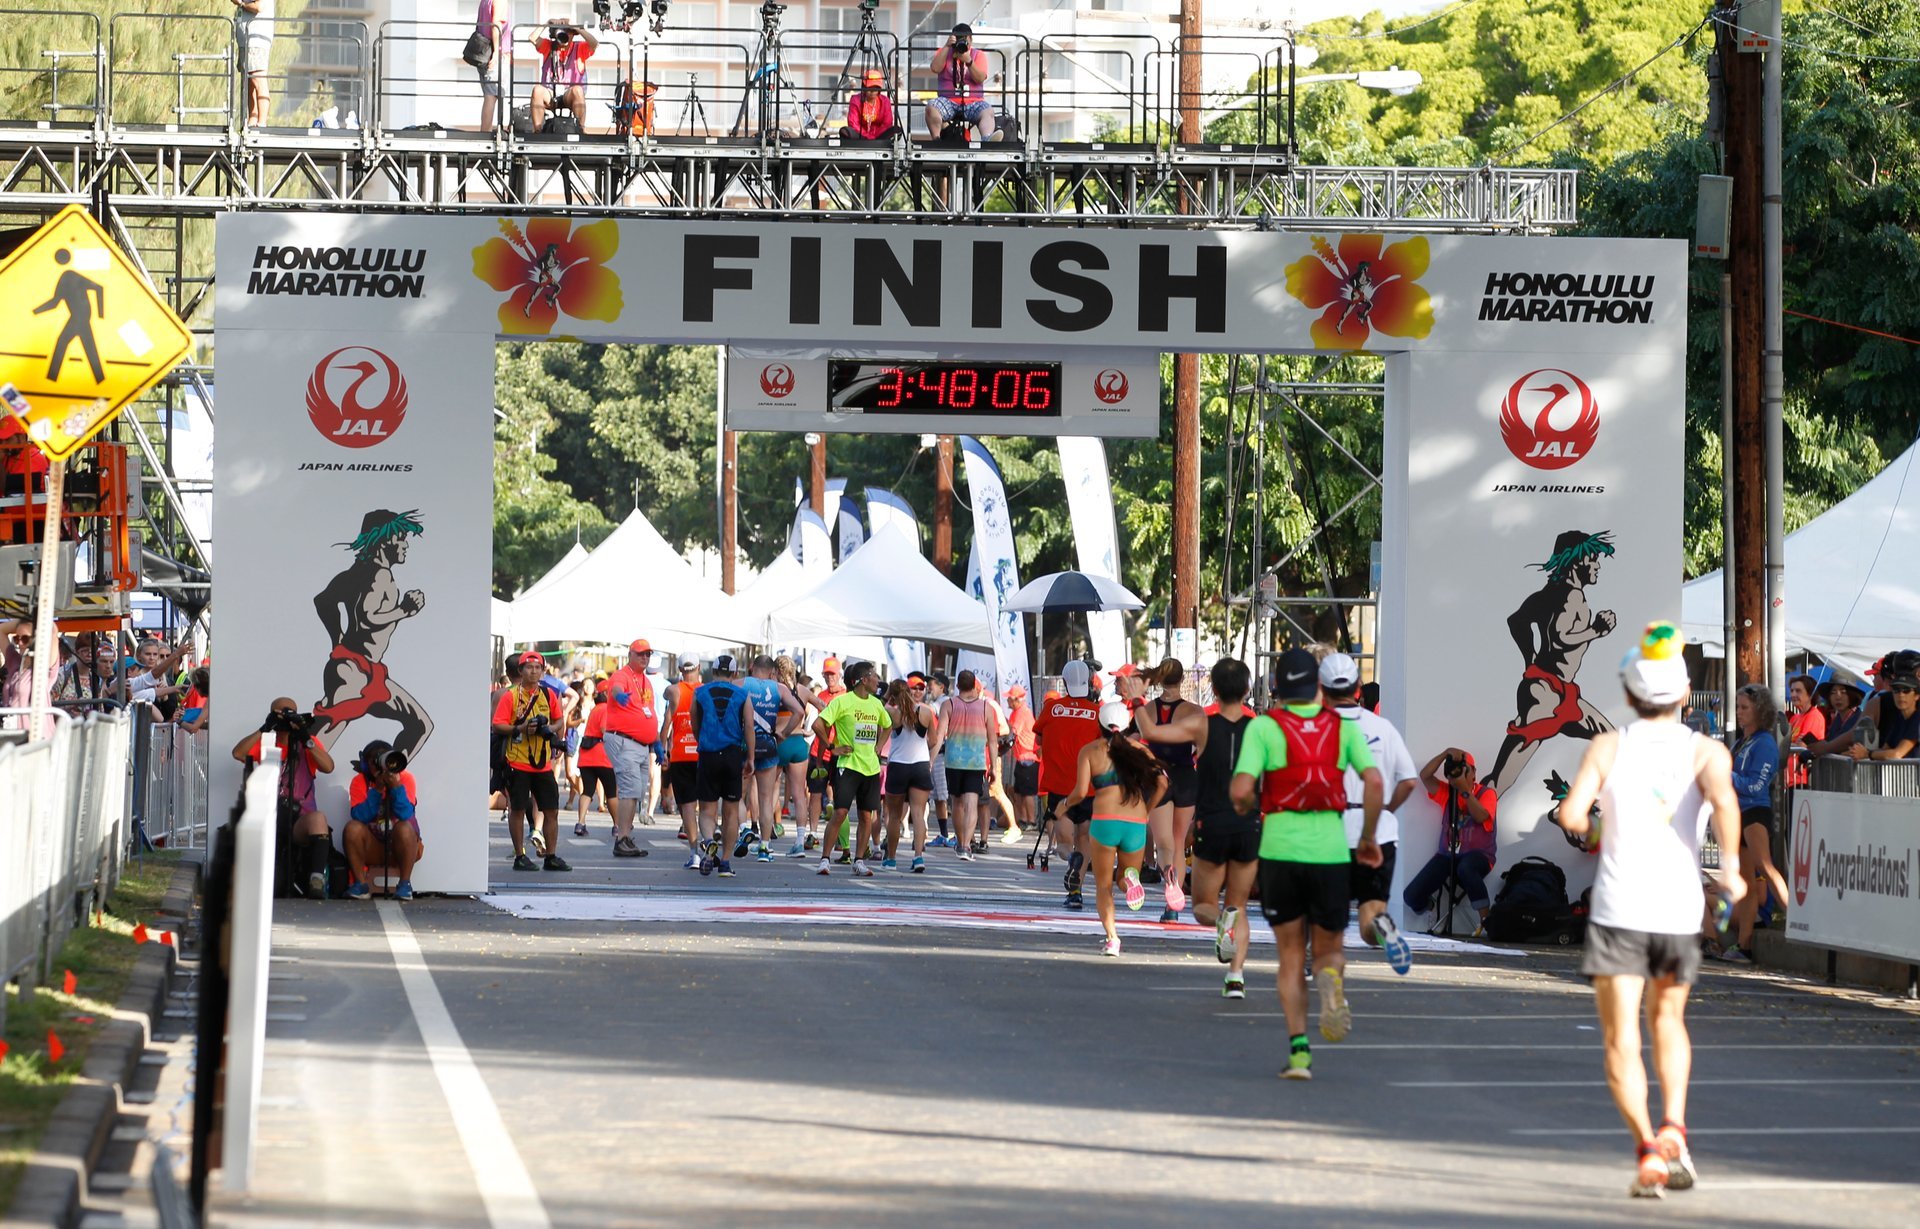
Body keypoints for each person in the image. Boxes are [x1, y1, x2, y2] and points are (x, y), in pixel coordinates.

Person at [1554, 621, 1745, 1199]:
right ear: (1684, 694)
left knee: (1620, 1040)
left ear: (1631, 695)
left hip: (1618, 909)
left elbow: (1570, 816)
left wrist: (1595, 830)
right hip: (1678, 910)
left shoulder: (1609, 746)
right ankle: (1675, 1130)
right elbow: (1725, 803)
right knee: (1669, 1022)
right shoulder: (1706, 751)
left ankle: (1646, 1149)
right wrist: (1731, 867)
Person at [1230, 647, 1382, 1081]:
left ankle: (1300, 1053)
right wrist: (1368, 837)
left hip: (1280, 851)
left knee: (1290, 955)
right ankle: (1331, 981)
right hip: (1331, 852)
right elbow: (1373, 781)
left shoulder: (1263, 728)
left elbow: (1241, 789)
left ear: (1277, 689)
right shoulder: (1341, 728)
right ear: (1317, 687)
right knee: (1329, 950)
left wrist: (1244, 804)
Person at [1142, 657, 1258, 996]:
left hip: (1213, 822)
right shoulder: (1262, 727)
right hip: (1249, 824)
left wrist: (1137, 700)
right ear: (1248, 689)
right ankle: (1235, 976)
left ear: (1215, 690)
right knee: (1238, 904)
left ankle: (1219, 922)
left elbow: (1150, 733)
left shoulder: (1203, 723)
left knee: (1205, 906)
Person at [1488, 530, 1619, 794]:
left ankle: (1588, 804)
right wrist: (1597, 630)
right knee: (1503, 778)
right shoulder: (1573, 596)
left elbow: (1516, 621)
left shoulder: (1546, 594)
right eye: (1593, 559)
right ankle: (1471, 821)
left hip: (1557, 691)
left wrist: (1530, 658)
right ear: (1577, 561)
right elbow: (1560, 637)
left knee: (1612, 740)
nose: (1597, 565)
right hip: (1546, 695)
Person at [1322, 652, 1419, 974]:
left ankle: (1321, 965)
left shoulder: (1318, 729)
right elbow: (1408, 781)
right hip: (1379, 832)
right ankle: (1382, 926)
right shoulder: (1383, 727)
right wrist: (1386, 810)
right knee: (1369, 918)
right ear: (1358, 687)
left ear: (1322, 690)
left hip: (1331, 831)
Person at [312, 509, 432, 763]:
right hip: (353, 672)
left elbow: (323, 601)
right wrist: (404, 610)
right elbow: (366, 616)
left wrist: (337, 639)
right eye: (401, 538)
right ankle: (288, 783)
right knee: (319, 743)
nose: (405, 545)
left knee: (419, 724)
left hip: (364, 671)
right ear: (386, 540)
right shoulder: (381, 574)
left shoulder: (354, 572)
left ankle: (383, 772)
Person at [1053, 699, 1165, 956]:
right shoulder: (1141, 751)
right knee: (1125, 876)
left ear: (1099, 724)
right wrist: (1146, 811)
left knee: (1103, 885)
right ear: (1127, 726)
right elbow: (1162, 785)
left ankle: (1113, 938)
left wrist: (1063, 806)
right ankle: (1131, 880)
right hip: (1135, 822)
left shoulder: (1090, 751)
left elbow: (1081, 792)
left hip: (1105, 821)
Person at [232, 697, 336, 898]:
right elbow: (238, 753)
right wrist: (266, 727)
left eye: (290, 713)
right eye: (281, 713)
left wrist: (305, 736)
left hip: (299, 817)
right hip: (270, 815)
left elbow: (328, 767)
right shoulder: (266, 742)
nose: (286, 719)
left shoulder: (308, 743)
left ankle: (316, 880)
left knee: (319, 819)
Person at [1711, 682, 1785, 963]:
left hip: (1755, 813)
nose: (1739, 713)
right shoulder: (1742, 741)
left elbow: (1757, 785)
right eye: (1738, 707)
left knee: (1765, 866)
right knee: (1746, 882)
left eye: (1745, 708)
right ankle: (1744, 945)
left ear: (1760, 710)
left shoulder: (1765, 743)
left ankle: (1796, 918)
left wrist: (1724, 775)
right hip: (1737, 814)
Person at [1135, 658, 1204, 923]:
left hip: (1157, 776)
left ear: (1161, 679)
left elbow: (1137, 738)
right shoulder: (1194, 711)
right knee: (1178, 841)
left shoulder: (1149, 710)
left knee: (1162, 842)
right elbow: (1200, 746)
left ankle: (1168, 879)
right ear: (1182, 679)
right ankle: (1173, 908)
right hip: (1186, 776)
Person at [1403, 747, 1499, 934]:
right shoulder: (1447, 792)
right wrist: (1444, 754)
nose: (1459, 773)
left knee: (1466, 868)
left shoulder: (1486, 793)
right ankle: (1430, 908)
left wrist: (1464, 791)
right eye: (1454, 769)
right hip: (1448, 855)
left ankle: (1487, 922)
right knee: (1411, 896)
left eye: (1464, 769)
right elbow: (1425, 776)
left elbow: (1480, 816)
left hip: (1479, 856)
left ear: (1473, 772)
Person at [492, 650, 571, 873]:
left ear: (542, 671)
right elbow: (498, 725)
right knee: (517, 809)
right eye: (529, 667)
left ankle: (551, 856)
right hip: (517, 762)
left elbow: (559, 720)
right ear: (521, 670)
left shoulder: (548, 695)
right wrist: (521, 728)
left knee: (551, 810)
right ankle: (520, 856)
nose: (534, 671)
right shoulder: (510, 696)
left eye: (538, 668)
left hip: (543, 763)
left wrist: (550, 731)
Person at [1035, 658, 1102, 910]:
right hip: (1088, 787)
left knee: (1063, 842)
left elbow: (1039, 739)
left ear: (1064, 682)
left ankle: (1070, 858)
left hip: (1058, 786)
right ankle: (1076, 891)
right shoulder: (1097, 713)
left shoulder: (1051, 708)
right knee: (1085, 836)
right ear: (1089, 682)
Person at [813, 661, 891, 877]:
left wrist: (878, 746)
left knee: (867, 816)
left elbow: (888, 724)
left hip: (870, 768)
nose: (878, 680)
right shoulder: (843, 702)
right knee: (840, 812)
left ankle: (858, 861)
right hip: (847, 766)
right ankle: (825, 859)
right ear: (864, 680)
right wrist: (832, 748)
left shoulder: (876, 704)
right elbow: (818, 725)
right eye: (874, 676)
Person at [690, 654, 753, 878]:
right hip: (732, 754)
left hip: (708, 753)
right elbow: (748, 727)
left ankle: (709, 842)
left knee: (706, 810)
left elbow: (694, 723)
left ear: (713, 672)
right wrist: (751, 758)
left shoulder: (699, 692)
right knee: (731, 810)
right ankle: (725, 863)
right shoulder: (742, 694)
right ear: (735, 674)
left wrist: (703, 742)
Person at [600, 639, 660, 858]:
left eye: (648, 654)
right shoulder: (622, 675)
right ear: (631, 654)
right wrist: (618, 696)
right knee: (630, 789)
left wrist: (656, 741)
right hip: (624, 741)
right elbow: (614, 689)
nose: (645, 658)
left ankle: (625, 835)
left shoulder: (646, 681)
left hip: (641, 744)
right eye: (641, 654)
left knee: (637, 790)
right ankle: (622, 837)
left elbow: (650, 712)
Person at [741, 655, 803, 863]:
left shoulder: (740, 684)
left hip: (744, 744)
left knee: (737, 796)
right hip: (768, 743)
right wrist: (783, 734)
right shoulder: (780, 689)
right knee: (766, 799)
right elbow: (799, 711)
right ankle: (765, 848)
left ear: (751, 667)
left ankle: (743, 831)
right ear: (772, 672)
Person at [344, 739, 423, 900]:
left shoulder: (405, 778)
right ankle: (361, 885)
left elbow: (406, 814)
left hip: (400, 846)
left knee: (405, 828)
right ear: (365, 765)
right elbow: (359, 816)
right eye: (374, 762)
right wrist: (377, 790)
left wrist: (396, 788)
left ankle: (404, 885)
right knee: (352, 828)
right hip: (373, 846)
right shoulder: (359, 781)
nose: (378, 767)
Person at [941, 669, 1000, 861]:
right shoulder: (986, 708)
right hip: (976, 762)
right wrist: (994, 768)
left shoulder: (948, 704)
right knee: (972, 803)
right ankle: (966, 846)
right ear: (975, 685)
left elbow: (941, 734)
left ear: (957, 685)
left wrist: (931, 758)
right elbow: (992, 741)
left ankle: (960, 843)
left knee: (957, 803)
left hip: (953, 761)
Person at [881, 676, 939, 872]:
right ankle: (918, 857)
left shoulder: (892, 712)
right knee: (918, 813)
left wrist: (888, 694)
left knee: (895, 815)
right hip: (920, 765)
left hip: (898, 765)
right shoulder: (925, 712)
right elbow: (933, 740)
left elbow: (878, 705)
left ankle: (891, 858)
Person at [777, 655, 821, 856]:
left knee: (770, 792)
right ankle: (800, 841)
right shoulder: (802, 691)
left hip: (778, 741)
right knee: (799, 795)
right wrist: (812, 729)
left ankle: (765, 842)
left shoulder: (774, 689)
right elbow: (824, 707)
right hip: (798, 743)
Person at [662, 653, 704, 859]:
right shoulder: (705, 691)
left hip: (680, 755)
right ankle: (708, 840)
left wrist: (662, 750)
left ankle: (694, 853)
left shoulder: (674, 691)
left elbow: (666, 724)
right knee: (706, 803)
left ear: (680, 670)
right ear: (699, 668)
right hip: (704, 754)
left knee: (687, 805)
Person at [926, 22, 995, 141]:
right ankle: (936, 139)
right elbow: (935, 68)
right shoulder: (944, 52)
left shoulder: (978, 55)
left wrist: (969, 61)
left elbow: (980, 78)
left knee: (987, 111)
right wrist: (947, 46)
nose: (962, 43)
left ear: (971, 40)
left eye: (965, 40)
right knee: (931, 107)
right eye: (958, 39)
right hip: (947, 100)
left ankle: (987, 139)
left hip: (973, 101)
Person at [530, 19, 598, 132]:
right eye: (562, 32)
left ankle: (581, 130)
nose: (565, 35)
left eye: (569, 32)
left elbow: (595, 44)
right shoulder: (548, 46)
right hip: (550, 92)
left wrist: (577, 28)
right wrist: (546, 23)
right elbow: (532, 38)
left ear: (573, 35)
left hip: (569, 94)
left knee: (577, 90)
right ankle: (537, 131)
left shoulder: (579, 48)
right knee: (537, 90)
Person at [1853, 656, 1918, 760]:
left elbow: (1897, 754)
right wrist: (1853, 753)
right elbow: (1884, 749)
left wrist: (1867, 754)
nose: (1901, 695)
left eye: (1906, 690)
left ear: (1916, 695)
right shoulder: (1901, 719)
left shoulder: (1917, 719)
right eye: (1896, 690)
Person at [574, 688, 619, 834]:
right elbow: (604, 729)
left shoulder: (594, 710)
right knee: (611, 792)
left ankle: (580, 823)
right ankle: (617, 825)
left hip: (586, 755)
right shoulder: (606, 709)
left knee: (587, 790)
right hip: (602, 755)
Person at [232, 0, 275, 127]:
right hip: (245, 40)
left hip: (256, 40)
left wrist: (241, 3)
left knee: (258, 78)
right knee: (249, 82)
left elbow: (258, 6)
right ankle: (252, 119)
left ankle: (262, 122)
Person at [1006, 685, 1039, 841]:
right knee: (1019, 792)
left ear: (1017, 700)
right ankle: (1024, 819)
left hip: (1028, 758)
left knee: (1027, 793)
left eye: (1010, 698)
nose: (1007, 700)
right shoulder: (1016, 712)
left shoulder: (1022, 712)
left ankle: (1031, 821)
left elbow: (1013, 733)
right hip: (1022, 758)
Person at [1805, 677, 1868, 759]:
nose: (1838, 697)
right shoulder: (1837, 720)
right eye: (1833, 692)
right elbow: (1829, 742)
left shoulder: (1860, 719)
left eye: (1843, 692)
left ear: (1852, 694)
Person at [1783, 673, 1826, 789]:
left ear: (1810, 694)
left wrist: (1790, 745)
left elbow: (1802, 745)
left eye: (1798, 691)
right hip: (1787, 779)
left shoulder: (1814, 716)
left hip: (1802, 779)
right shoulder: (1794, 718)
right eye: (1791, 691)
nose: (1793, 694)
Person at [473, 0, 507, 130]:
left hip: (483, 51)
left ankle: (485, 131)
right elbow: (496, 24)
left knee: (490, 94)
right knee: (492, 95)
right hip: (493, 52)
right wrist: (497, 52)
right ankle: (485, 132)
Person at [844, 67, 898, 141]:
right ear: (864, 88)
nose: (872, 91)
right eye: (869, 88)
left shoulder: (885, 101)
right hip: (860, 136)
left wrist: (875, 136)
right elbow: (853, 123)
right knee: (845, 131)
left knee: (896, 130)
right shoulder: (855, 100)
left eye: (875, 88)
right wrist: (867, 135)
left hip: (879, 136)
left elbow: (887, 123)